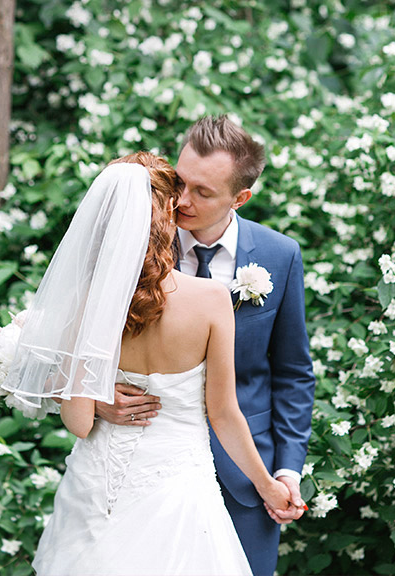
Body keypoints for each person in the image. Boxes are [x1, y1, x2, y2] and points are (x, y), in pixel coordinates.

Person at [2, 152, 295, 576]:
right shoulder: (211, 300)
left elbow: (80, 422)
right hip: (179, 488)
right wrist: (268, 486)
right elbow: (224, 413)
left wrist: (99, 395)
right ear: (168, 217)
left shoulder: (87, 303)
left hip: (96, 489)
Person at [94, 118, 315, 576]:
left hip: (248, 477)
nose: (182, 201)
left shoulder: (280, 255)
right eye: (179, 182)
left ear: (240, 198)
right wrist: (97, 399)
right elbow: (79, 348)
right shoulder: (133, 251)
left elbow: (293, 373)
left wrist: (286, 470)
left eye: (204, 192)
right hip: (147, 470)